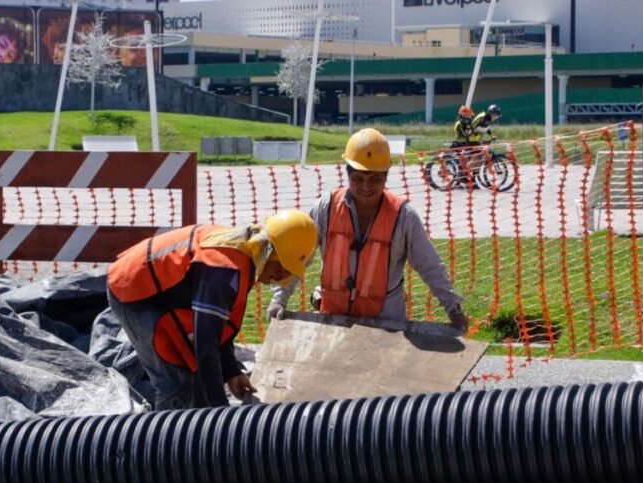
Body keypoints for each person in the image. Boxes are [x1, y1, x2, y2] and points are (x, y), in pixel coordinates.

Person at [108, 210, 318, 410]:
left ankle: (193, 436)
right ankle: (164, 445)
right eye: (280, 269)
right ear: (270, 251)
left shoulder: (246, 256)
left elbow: (220, 328)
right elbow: (206, 343)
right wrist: (220, 412)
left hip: (163, 293)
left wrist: (231, 371)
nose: (279, 277)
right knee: (175, 387)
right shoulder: (223, 270)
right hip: (132, 289)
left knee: (195, 376)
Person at [267, 128, 468, 332]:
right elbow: (297, 257)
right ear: (348, 174)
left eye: (374, 179)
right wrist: (279, 300)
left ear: (385, 177)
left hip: (386, 325)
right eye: (358, 178)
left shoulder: (404, 217)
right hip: (334, 321)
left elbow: (430, 266)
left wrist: (453, 308)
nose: (366, 186)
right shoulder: (326, 208)